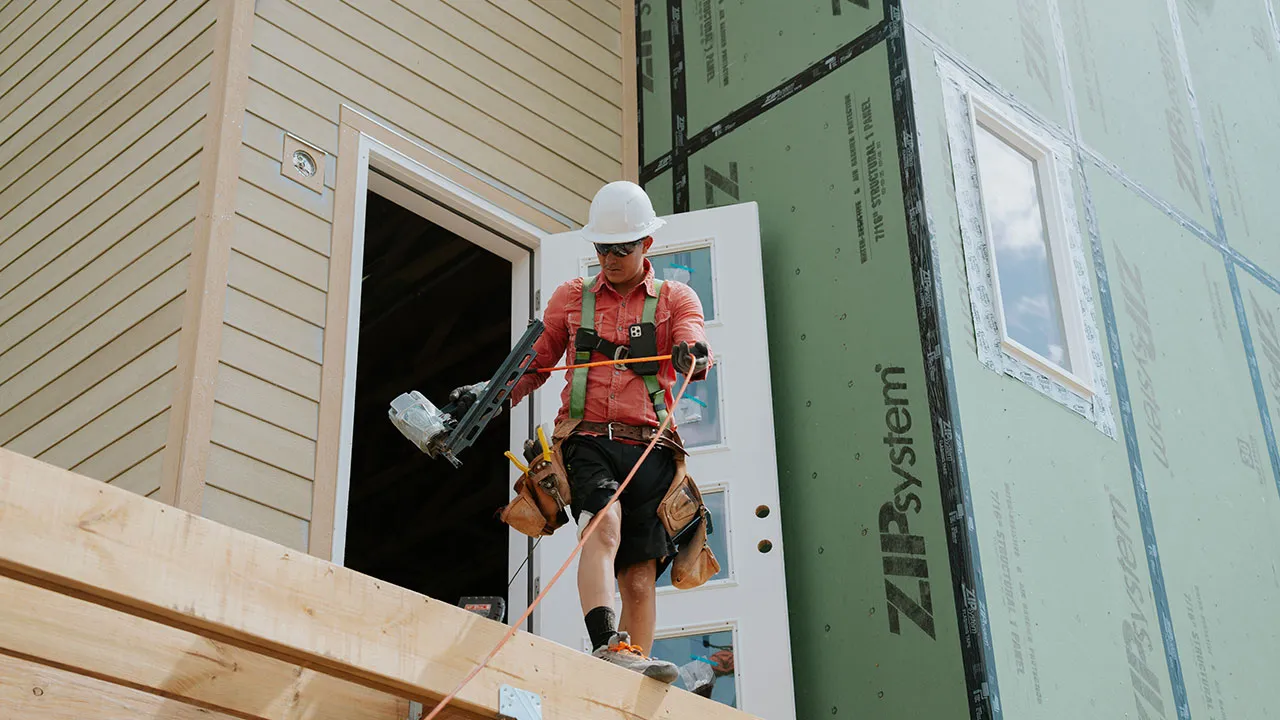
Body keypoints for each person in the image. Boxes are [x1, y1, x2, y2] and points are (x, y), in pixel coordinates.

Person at [450, 181, 712, 683]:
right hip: (588, 439)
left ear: (646, 244)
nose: (609, 259)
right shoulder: (573, 298)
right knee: (603, 525)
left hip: (651, 449)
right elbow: (533, 364)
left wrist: (691, 355)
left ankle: (631, 673)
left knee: (640, 577)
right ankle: (606, 643)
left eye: (621, 249)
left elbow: (694, 341)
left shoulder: (676, 299)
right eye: (602, 248)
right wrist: (489, 393)